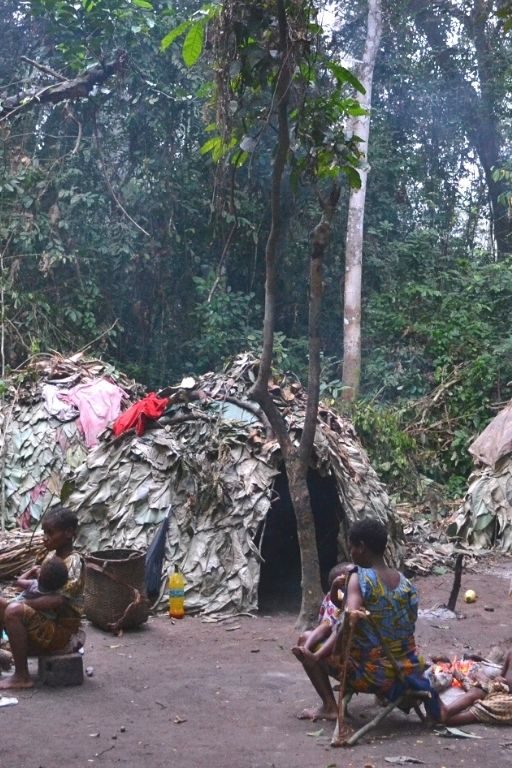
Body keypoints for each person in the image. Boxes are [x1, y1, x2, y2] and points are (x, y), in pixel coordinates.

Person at [293, 517, 439, 722]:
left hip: (370, 674)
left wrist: (333, 650)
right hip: (404, 671)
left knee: (304, 641)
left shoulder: (359, 577)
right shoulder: (406, 584)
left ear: (361, 547)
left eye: (352, 547)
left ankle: (329, 706)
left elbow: (350, 618)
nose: (351, 553)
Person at [0, 506, 84, 690]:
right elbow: (31, 585)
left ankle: (22, 676)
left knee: (13, 610)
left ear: (69, 533)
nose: (45, 537)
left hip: (62, 634)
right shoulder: (49, 557)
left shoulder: (74, 563)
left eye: (50, 532)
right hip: (44, 622)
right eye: (44, 532)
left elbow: (58, 601)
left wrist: (21, 604)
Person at [293, 563, 354, 674]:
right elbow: (336, 602)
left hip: (341, 631)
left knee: (337, 628)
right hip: (332, 626)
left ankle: (315, 656)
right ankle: (305, 650)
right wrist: (335, 587)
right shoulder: (341, 592)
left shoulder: (356, 591)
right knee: (326, 625)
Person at [438, 650, 512, 726]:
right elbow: (501, 675)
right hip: (501, 689)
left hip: (508, 701)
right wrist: (499, 679)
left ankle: (448, 720)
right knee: (477, 690)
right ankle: (447, 711)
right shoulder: (510, 654)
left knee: (491, 706)